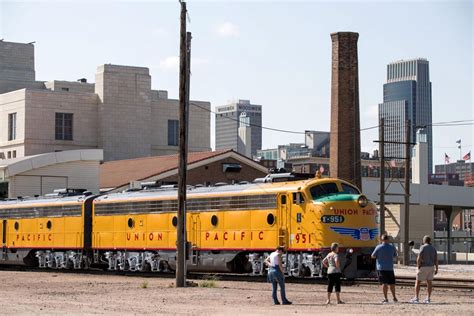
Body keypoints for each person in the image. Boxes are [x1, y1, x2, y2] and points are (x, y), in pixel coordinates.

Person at [410, 235, 438, 304]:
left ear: (424, 241)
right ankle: (428, 298)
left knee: (418, 282)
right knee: (429, 282)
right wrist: (437, 268)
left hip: (423, 266)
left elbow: (419, 258)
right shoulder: (433, 248)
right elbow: (436, 259)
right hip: (431, 267)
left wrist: (418, 266)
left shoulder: (422, 247)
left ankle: (416, 297)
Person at [371, 234, 398, 304]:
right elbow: (395, 256)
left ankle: (386, 298)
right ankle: (394, 297)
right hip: (390, 268)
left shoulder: (378, 247)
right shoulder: (392, 247)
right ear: (388, 239)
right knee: (392, 284)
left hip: (381, 268)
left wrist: (379, 257)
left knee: (384, 284)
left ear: (381, 240)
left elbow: (373, 256)